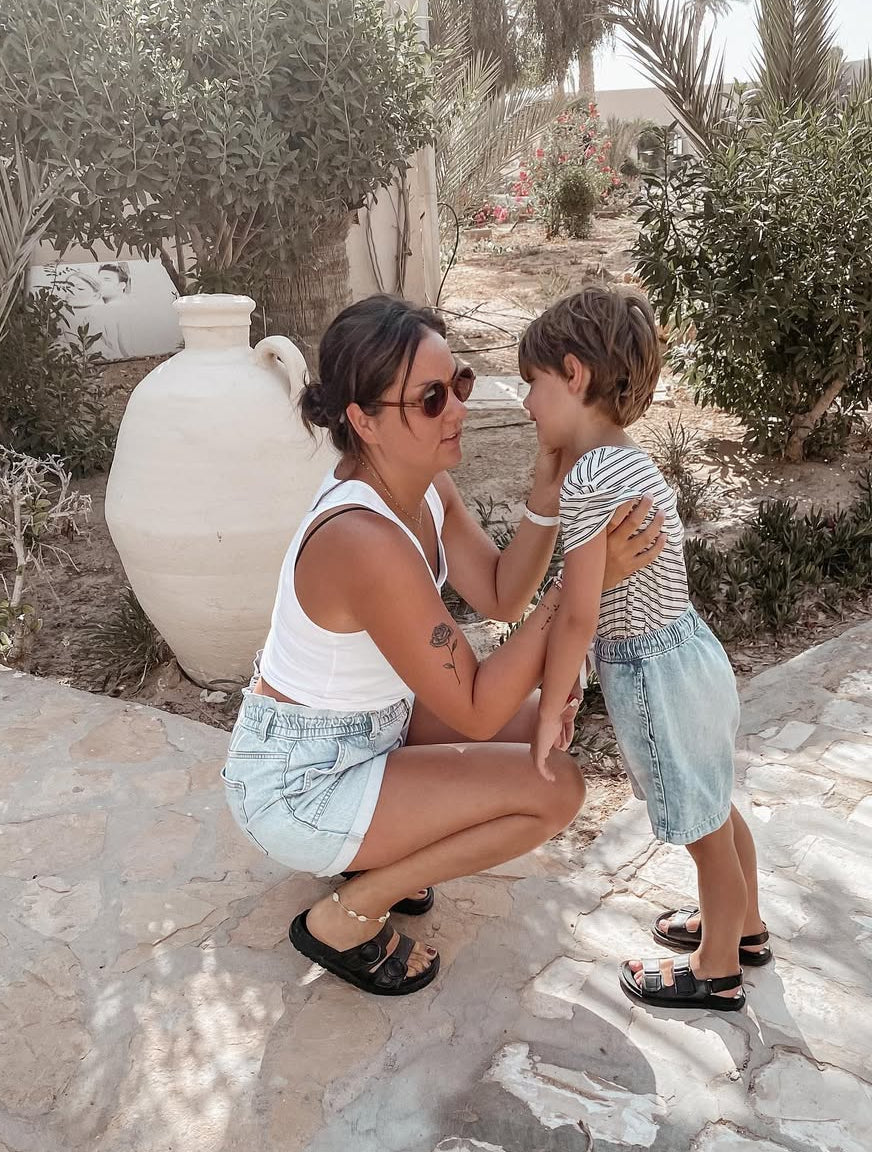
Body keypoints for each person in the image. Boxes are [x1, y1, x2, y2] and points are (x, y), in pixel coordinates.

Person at [221, 294, 668, 997]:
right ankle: (349, 913)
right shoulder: (361, 542)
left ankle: (380, 856)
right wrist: (583, 586)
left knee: (541, 740)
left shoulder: (424, 486)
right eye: (431, 399)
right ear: (363, 419)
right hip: (300, 785)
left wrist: (545, 498)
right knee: (554, 790)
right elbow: (475, 711)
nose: (459, 407)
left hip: (370, 728)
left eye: (457, 382)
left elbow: (499, 592)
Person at [520, 285, 771, 1013]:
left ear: (573, 375)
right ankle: (743, 925)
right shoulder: (629, 459)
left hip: (653, 675)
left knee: (701, 833)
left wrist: (552, 704)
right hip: (691, 651)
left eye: (533, 386)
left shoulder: (590, 478)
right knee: (715, 808)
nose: (528, 406)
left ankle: (717, 966)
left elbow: (577, 614)